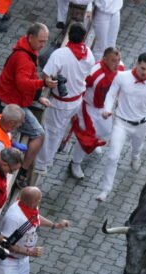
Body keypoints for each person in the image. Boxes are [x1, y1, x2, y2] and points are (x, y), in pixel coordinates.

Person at [97, 52, 146, 201]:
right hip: (121, 122)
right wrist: (107, 109)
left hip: (140, 124)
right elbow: (111, 94)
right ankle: (105, 190)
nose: (144, 72)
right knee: (113, 156)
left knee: (137, 148)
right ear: (136, 63)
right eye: (142, 68)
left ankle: (135, 157)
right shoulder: (122, 77)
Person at [0, 22, 55, 178]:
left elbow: (28, 78)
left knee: (6, 132)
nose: (43, 45)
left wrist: (38, 97)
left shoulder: (27, 49)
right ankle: (22, 172)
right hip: (9, 102)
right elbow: (23, 83)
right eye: (41, 41)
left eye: (45, 41)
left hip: (5, 98)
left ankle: (12, 150)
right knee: (39, 135)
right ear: (31, 37)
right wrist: (43, 83)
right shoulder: (24, 58)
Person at [35, 23, 95, 173]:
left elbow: (46, 75)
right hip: (76, 100)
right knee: (59, 130)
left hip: (61, 103)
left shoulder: (60, 54)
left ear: (69, 35)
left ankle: (42, 164)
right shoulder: (88, 53)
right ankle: (47, 159)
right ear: (84, 37)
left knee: (51, 132)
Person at [68, 47, 124, 179]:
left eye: (118, 60)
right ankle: (75, 163)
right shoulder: (93, 73)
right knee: (85, 139)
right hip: (89, 107)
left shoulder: (120, 68)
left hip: (105, 107)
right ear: (104, 60)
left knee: (105, 131)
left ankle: (93, 143)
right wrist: (76, 109)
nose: (116, 63)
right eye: (113, 60)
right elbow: (79, 88)